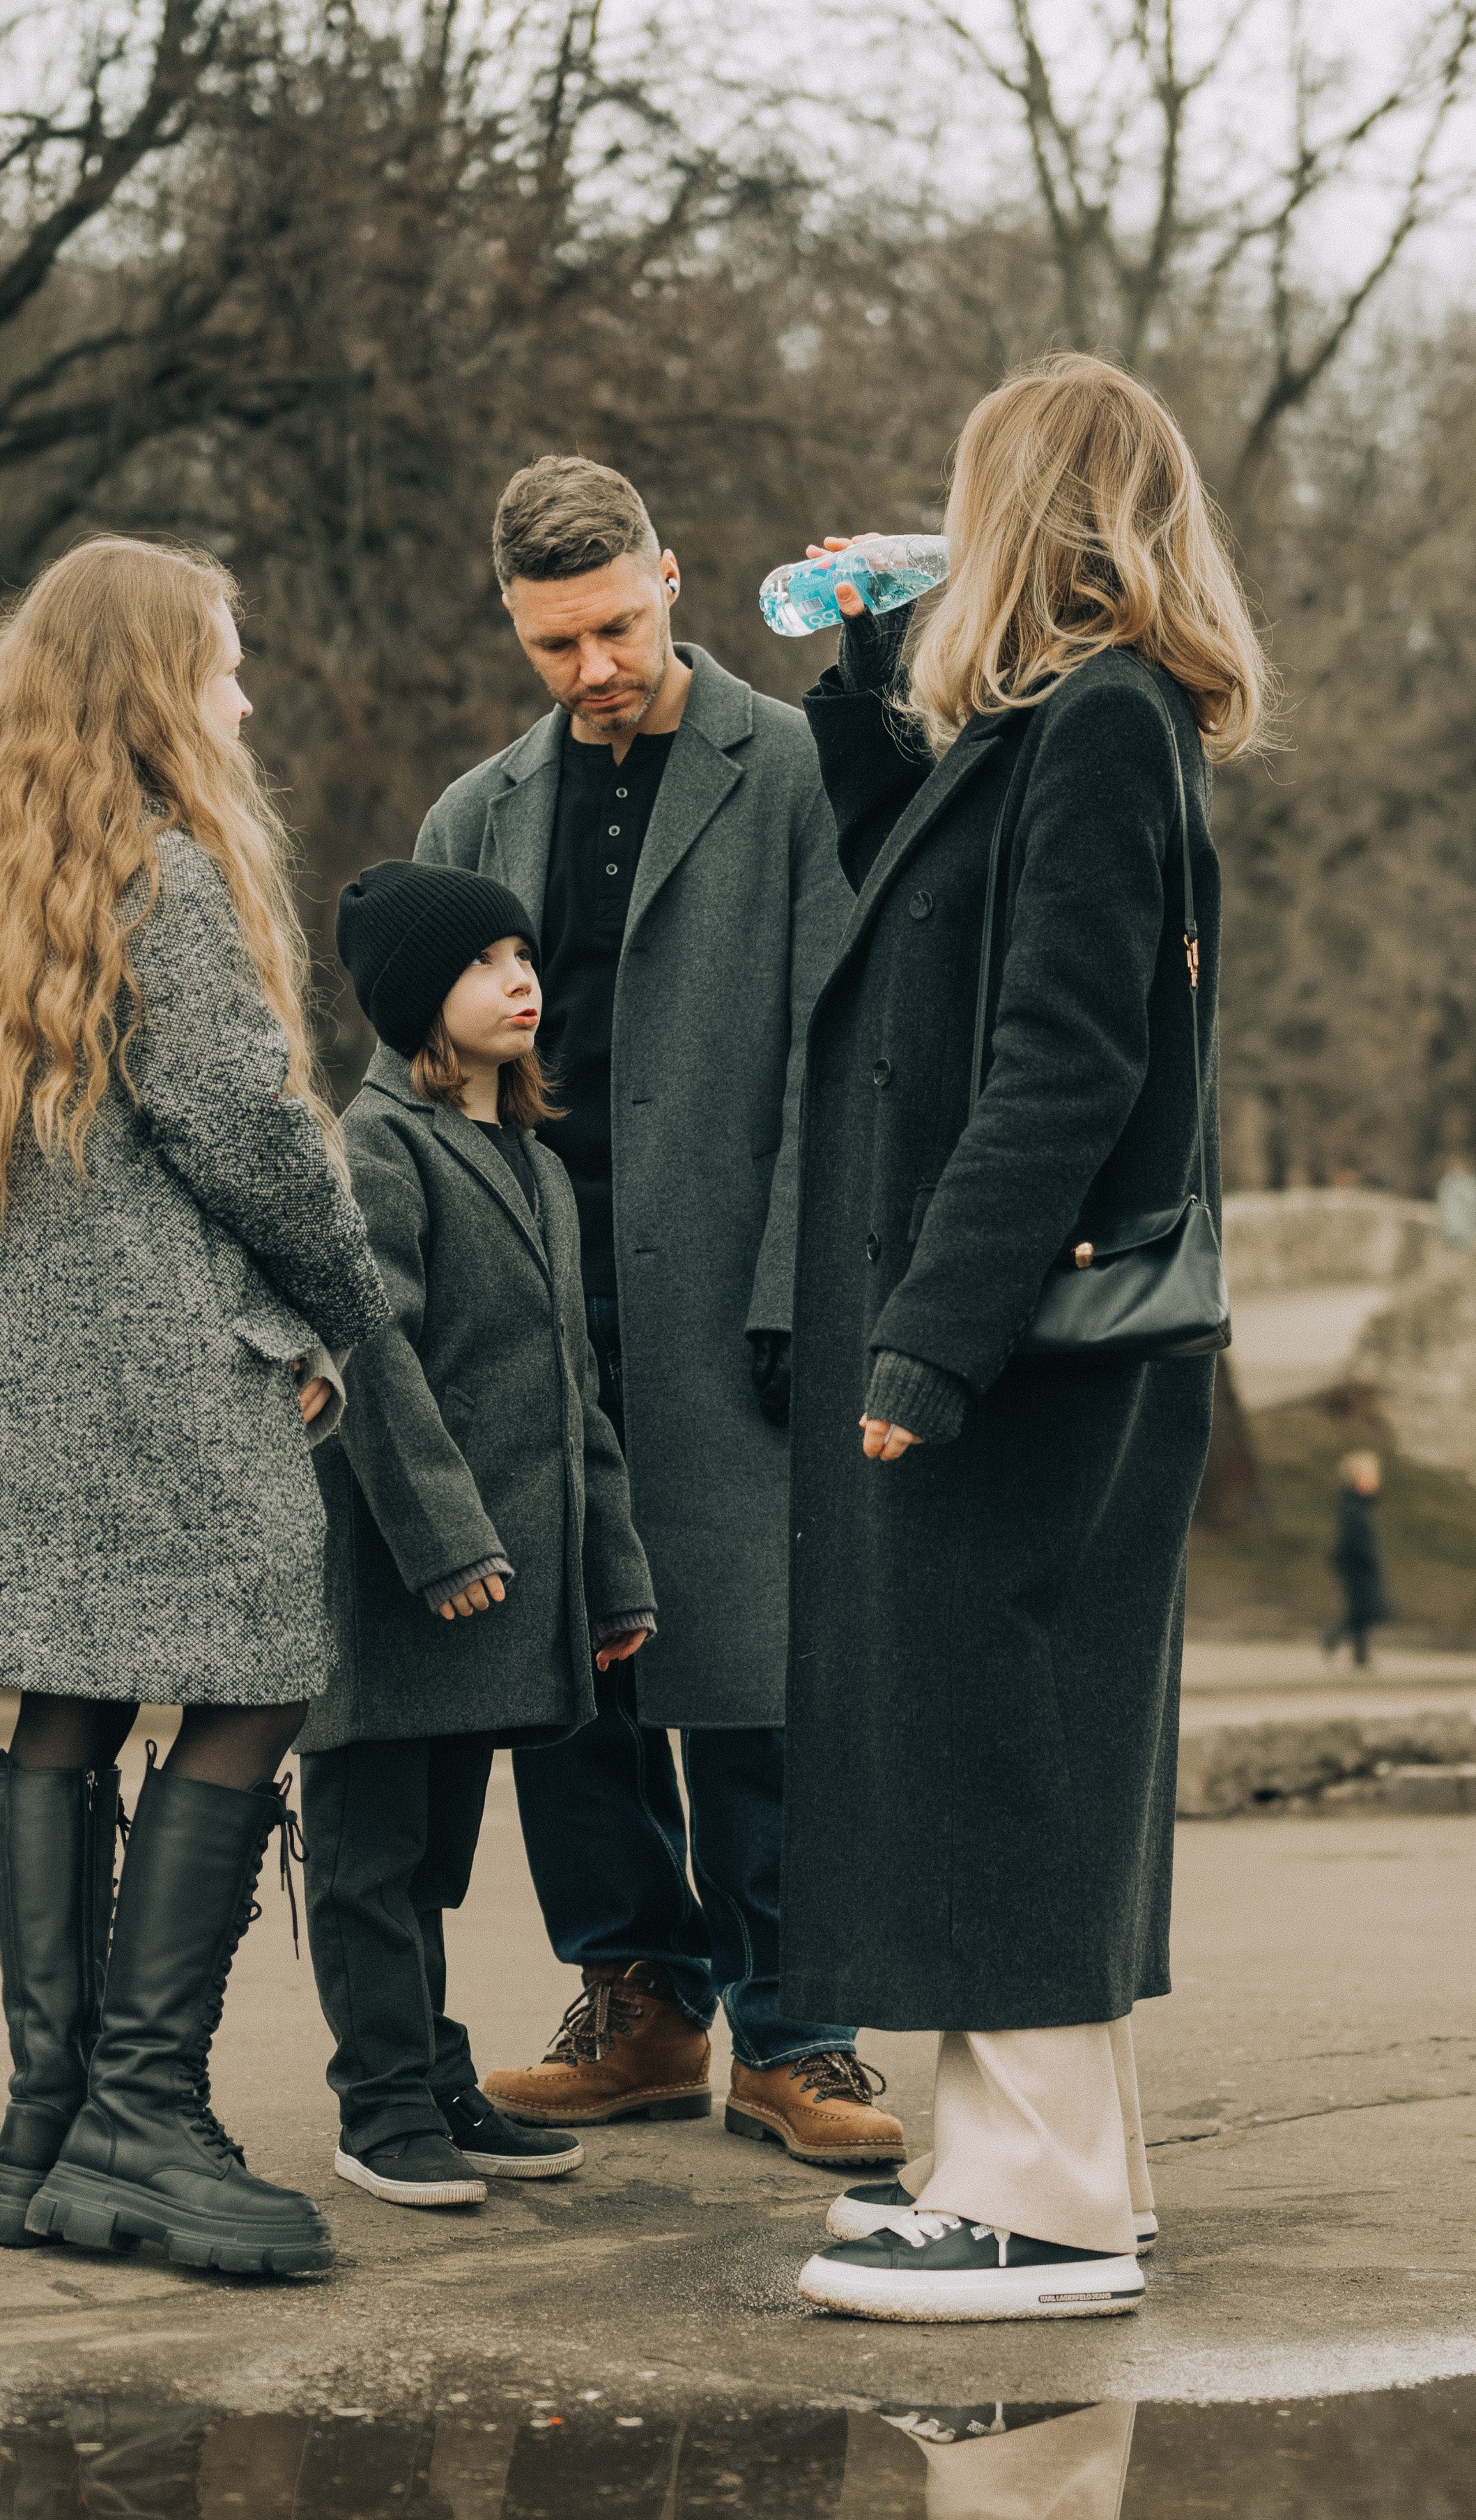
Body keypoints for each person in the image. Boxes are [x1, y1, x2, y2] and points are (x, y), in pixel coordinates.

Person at [783, 351, 1270, 2321]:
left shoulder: (1101, 726)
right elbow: (924, 905)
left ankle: (1042, 2207)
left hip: (1029, 1339)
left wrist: (932, 1337)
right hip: (1039, 1338)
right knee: (1012, 1735)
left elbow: (1064, 1057)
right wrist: (862, 678)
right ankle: (1062, 2169)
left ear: (1029, 509)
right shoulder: (1078, 723)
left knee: (1002, 1742)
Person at [0, 536, 390, 2277]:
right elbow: (249, 1131)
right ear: (160, 685)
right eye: (224, 667)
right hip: (166, 1368)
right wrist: (345, 1297)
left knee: (74, 1691)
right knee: (260, 1672)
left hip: (31, 1380)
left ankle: (47, 2129)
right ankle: (142, 2116)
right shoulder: (161, 876)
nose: (242, 700)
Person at [414, 457, 904, 2167]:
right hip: (532, 1307)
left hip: (732, 1298)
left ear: (670, 578)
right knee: (565, 1680)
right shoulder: (472, 815)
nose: (593, 668)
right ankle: (637, 2008)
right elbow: (429, 1087)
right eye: (554, 643)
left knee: (756, 1677)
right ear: (513, 624)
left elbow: (840, 1048)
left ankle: (797, 2032)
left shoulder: (794, 772)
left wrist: (799, 1287)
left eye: (615, 627)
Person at [298, 860, 657, 2208]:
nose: (520, 979)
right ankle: (381, 2105)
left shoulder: (538, 1167)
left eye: (522, 953)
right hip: (399, 1572)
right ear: (412, 1000)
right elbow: (371, 1350)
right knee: (370, 1853)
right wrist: (443, 1539)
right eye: (479, 962)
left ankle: (434, 2076)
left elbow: (576, 1396)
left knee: (432, 1861)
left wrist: (611, 1573)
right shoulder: (376, 1147)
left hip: (497, 1584)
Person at [1323, 1451, 1390, 1666]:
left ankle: (1360, 1656)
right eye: (1369, 1476)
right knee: (1364, 1610)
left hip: (1358, 1564)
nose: (1374, 1481)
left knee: (1362, 1611)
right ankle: (1332, 1638)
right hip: (1357, 1565)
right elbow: (1354, 1537)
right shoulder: (1353, 1505)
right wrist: (1369, 1558)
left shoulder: (1358, 1503)